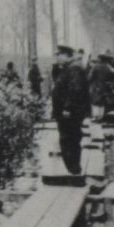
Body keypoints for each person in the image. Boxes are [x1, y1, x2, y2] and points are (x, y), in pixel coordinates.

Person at [50, 46, 90, 175]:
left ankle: (74, 170)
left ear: (66, 55)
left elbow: (75, 90)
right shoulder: (68, 68)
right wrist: (55, 67)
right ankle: (73, 169)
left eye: (58, 55)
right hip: (67, 113)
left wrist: (68, 108)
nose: (56, 58)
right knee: (69, 139)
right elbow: (59, 83)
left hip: (69, 113)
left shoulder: (74, 69)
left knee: (69, 139)